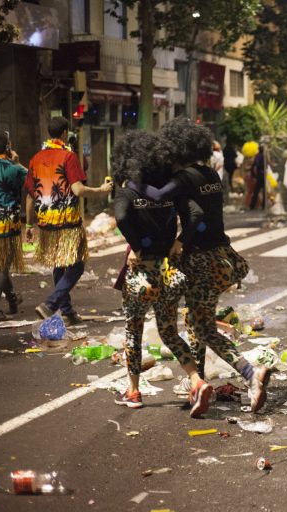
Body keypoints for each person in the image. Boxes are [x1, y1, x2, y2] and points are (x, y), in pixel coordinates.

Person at [132, 118, 270, 413]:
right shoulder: (210, 174)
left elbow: (159, 197)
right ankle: (209, 381)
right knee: (199, 323)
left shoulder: (184, 179)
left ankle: (239, 375)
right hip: (223, 256)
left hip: (201, 261)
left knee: (199, 325)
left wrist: (131, 181)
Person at [111, 130, 212, 415]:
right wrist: (180, 241)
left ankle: (133, 391)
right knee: (169, 331)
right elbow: (195, 215)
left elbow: (120, 217)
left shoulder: (129, 191)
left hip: (141, 274)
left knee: (134, 332)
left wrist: (135, 245)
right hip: (168, 273)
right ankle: (196, 380)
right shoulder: (169, 193)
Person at [26, 117, 112, 325]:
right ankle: (51, 303)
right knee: (77, 265)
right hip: (67, 222)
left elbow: (29, 196)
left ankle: (68, 311)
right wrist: (101, 190)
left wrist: (29, 225)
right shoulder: (68, 156)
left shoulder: (35, 159)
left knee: (59, 264)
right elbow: (78, 190)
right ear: (64, 133)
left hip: (45, 222)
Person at [0, 132, 26, 320]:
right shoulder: (12, 168)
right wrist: (17, 162)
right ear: (8, 148)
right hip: (5, 222)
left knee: (3, 263)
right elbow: (33, 180)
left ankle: (12, 299)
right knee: (3, 264)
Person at [248, 143, 265, 210]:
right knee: (263, 191)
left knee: (256, 191)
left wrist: (254, 175)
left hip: (259, 175)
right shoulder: (263, 156)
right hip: (262, 175)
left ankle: (252, 206)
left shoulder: (257, 156)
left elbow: (253, 166)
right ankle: (263, 206)